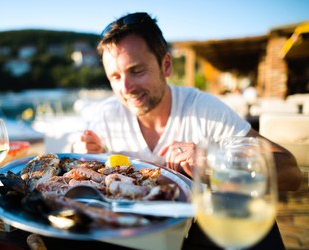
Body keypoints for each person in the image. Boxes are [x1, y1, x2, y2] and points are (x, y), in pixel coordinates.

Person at [72, 12, 302, 191]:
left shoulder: (205, 110)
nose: (125, 88)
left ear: (166, 65)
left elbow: (291, 172)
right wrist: (79, 153)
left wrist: (215, 163)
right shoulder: (105, 115)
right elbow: (72, 172)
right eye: (115, 76)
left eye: (137, 71)